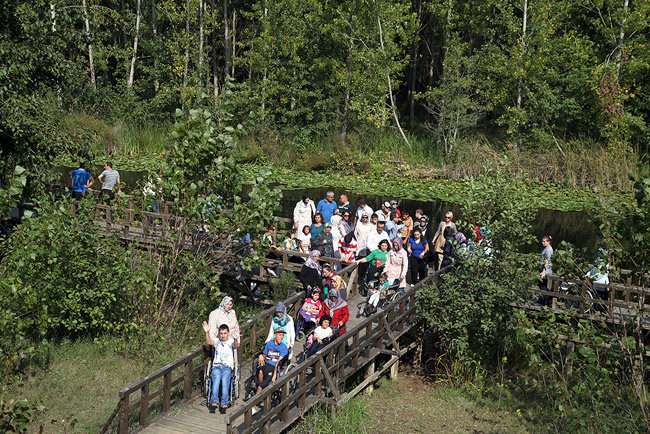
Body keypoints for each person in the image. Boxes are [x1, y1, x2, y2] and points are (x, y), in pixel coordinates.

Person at [202, 323, 239, 411]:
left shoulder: (230, 342)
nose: (223, 335)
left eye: (225, 333)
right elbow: (208, 342)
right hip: (217, 366)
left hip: (227, 367)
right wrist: (207, 333)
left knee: (225, 381)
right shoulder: (216, 341)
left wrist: (236, 338)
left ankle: (224, 402)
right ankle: (214, 400)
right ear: (219, 333)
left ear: (228, 333)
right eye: (221, 333)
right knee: (216, 380)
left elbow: (236, 345)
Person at [255, 328, 288, 394]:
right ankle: (261, 387)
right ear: (274, 335)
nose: (281, 337)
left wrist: (274, 375)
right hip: (266, 363)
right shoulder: (269, 344)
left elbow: (279, 362)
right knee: (260, 371)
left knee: (267, 378)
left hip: (274, 366)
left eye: (282, 335)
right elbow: (264, 355)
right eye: (280, 335)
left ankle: (259, 391)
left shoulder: (284, 348)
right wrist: (260, 356)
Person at [585, 248, 610, 313]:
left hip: (602, 284)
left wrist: (593, 277)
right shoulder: (596, 261)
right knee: (595, 298)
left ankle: (602, 312)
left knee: (602, 299)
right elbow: (593, 270)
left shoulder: (605, 263)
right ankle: (595, 311)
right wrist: (587, 274)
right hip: (596, 284)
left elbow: (601, 274)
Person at [535, 236, 554, 306]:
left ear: (548, 242)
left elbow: (547, 261)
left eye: (544, 241)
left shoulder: (548, 250)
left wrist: (543, 272)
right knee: (543, 285)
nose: (543, 243)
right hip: (544, 269)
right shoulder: (546, 249)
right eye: (542, 241)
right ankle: (547, 299)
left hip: (546, 270)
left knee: (542, 284)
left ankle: (543, 301)